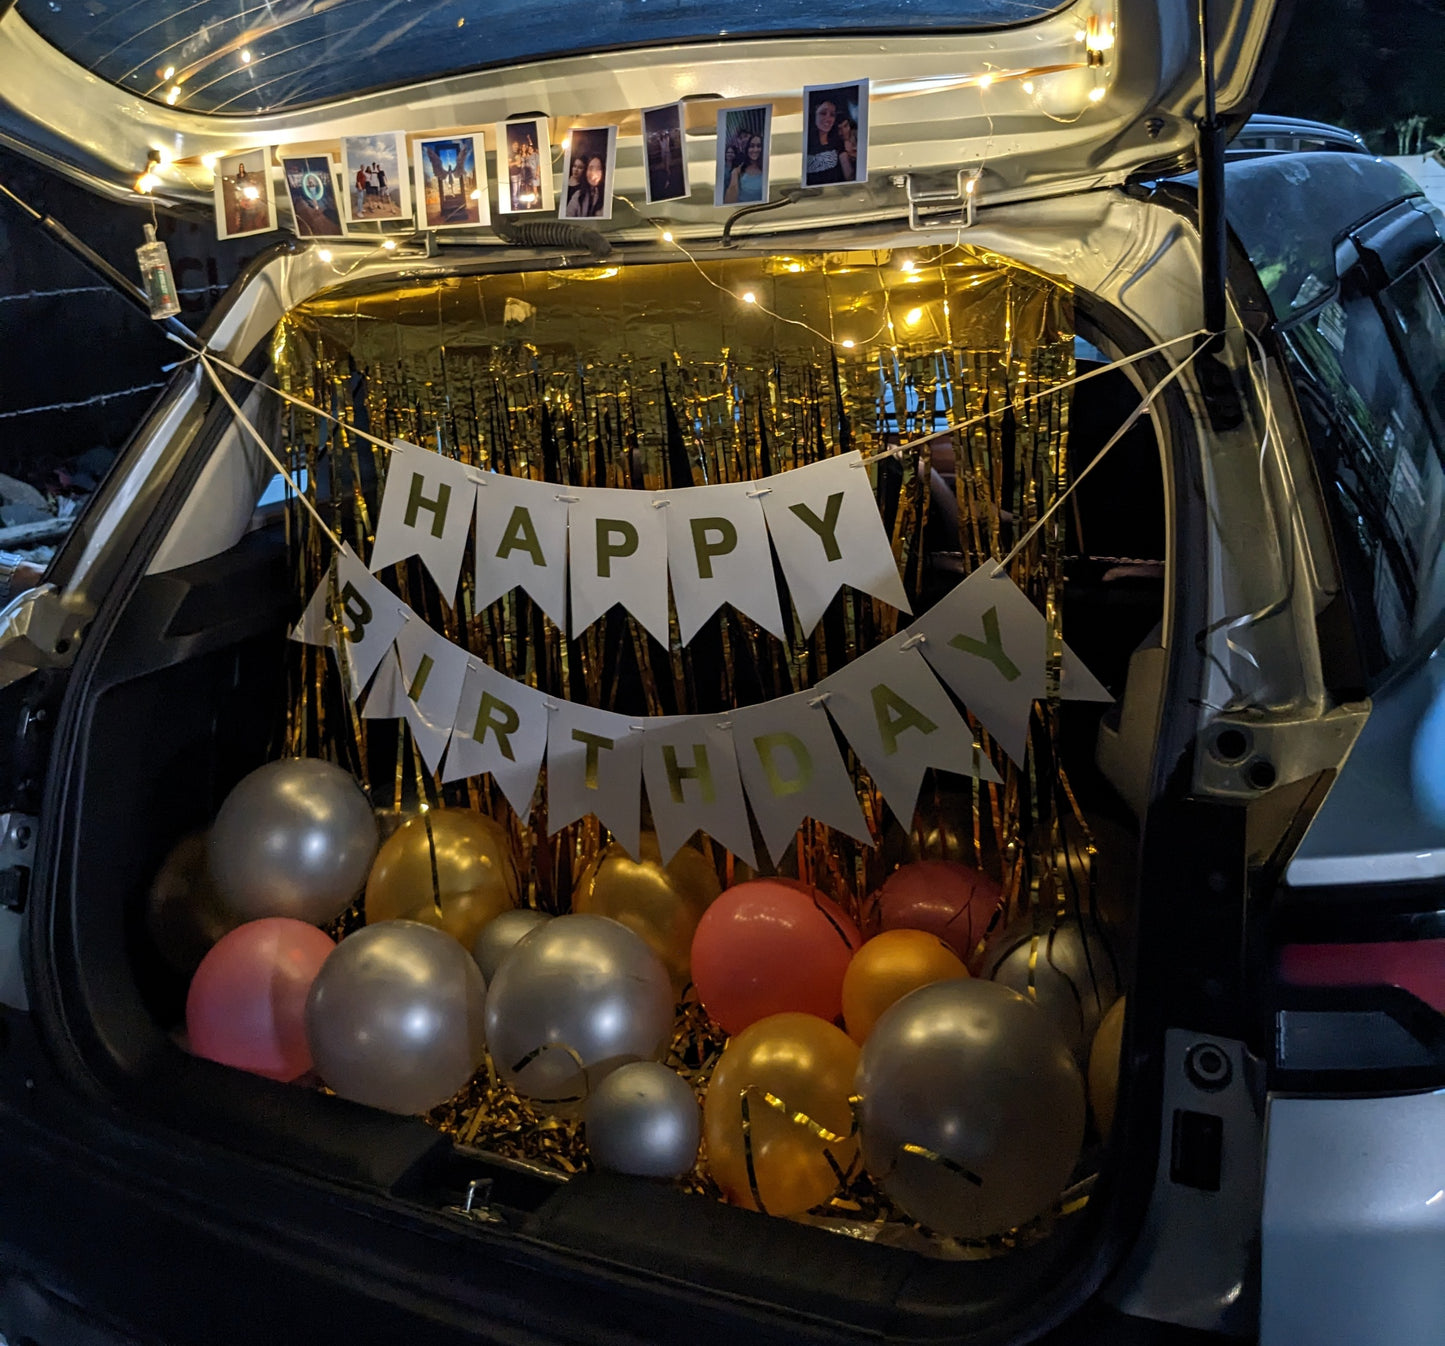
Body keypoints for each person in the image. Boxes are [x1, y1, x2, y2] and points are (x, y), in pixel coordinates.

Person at [804, 96, 846, 186]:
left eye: (832, 115)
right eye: (823, 113)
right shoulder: (804, 143)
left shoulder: (838, 143)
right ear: (814, 114)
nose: (828, 119)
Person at [724, 133, 765, 204]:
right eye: (751, 146)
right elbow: (730, 201)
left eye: (759, 146)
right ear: (747, 149)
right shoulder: (737, 171)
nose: (755, 149)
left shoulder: (767, 170)